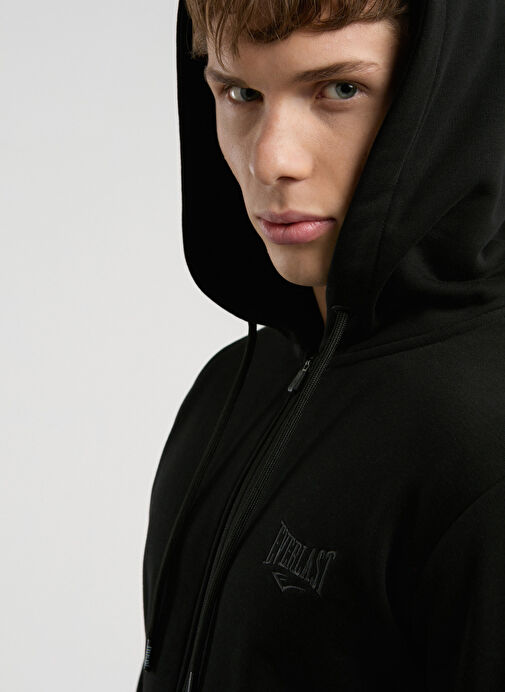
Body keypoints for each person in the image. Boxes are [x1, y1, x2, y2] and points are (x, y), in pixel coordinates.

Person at [137, 0, 505, 689]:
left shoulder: (484, 441)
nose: (270, 159)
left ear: (449, 89)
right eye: (240, 93)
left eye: (340, 89)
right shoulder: (233, 384)